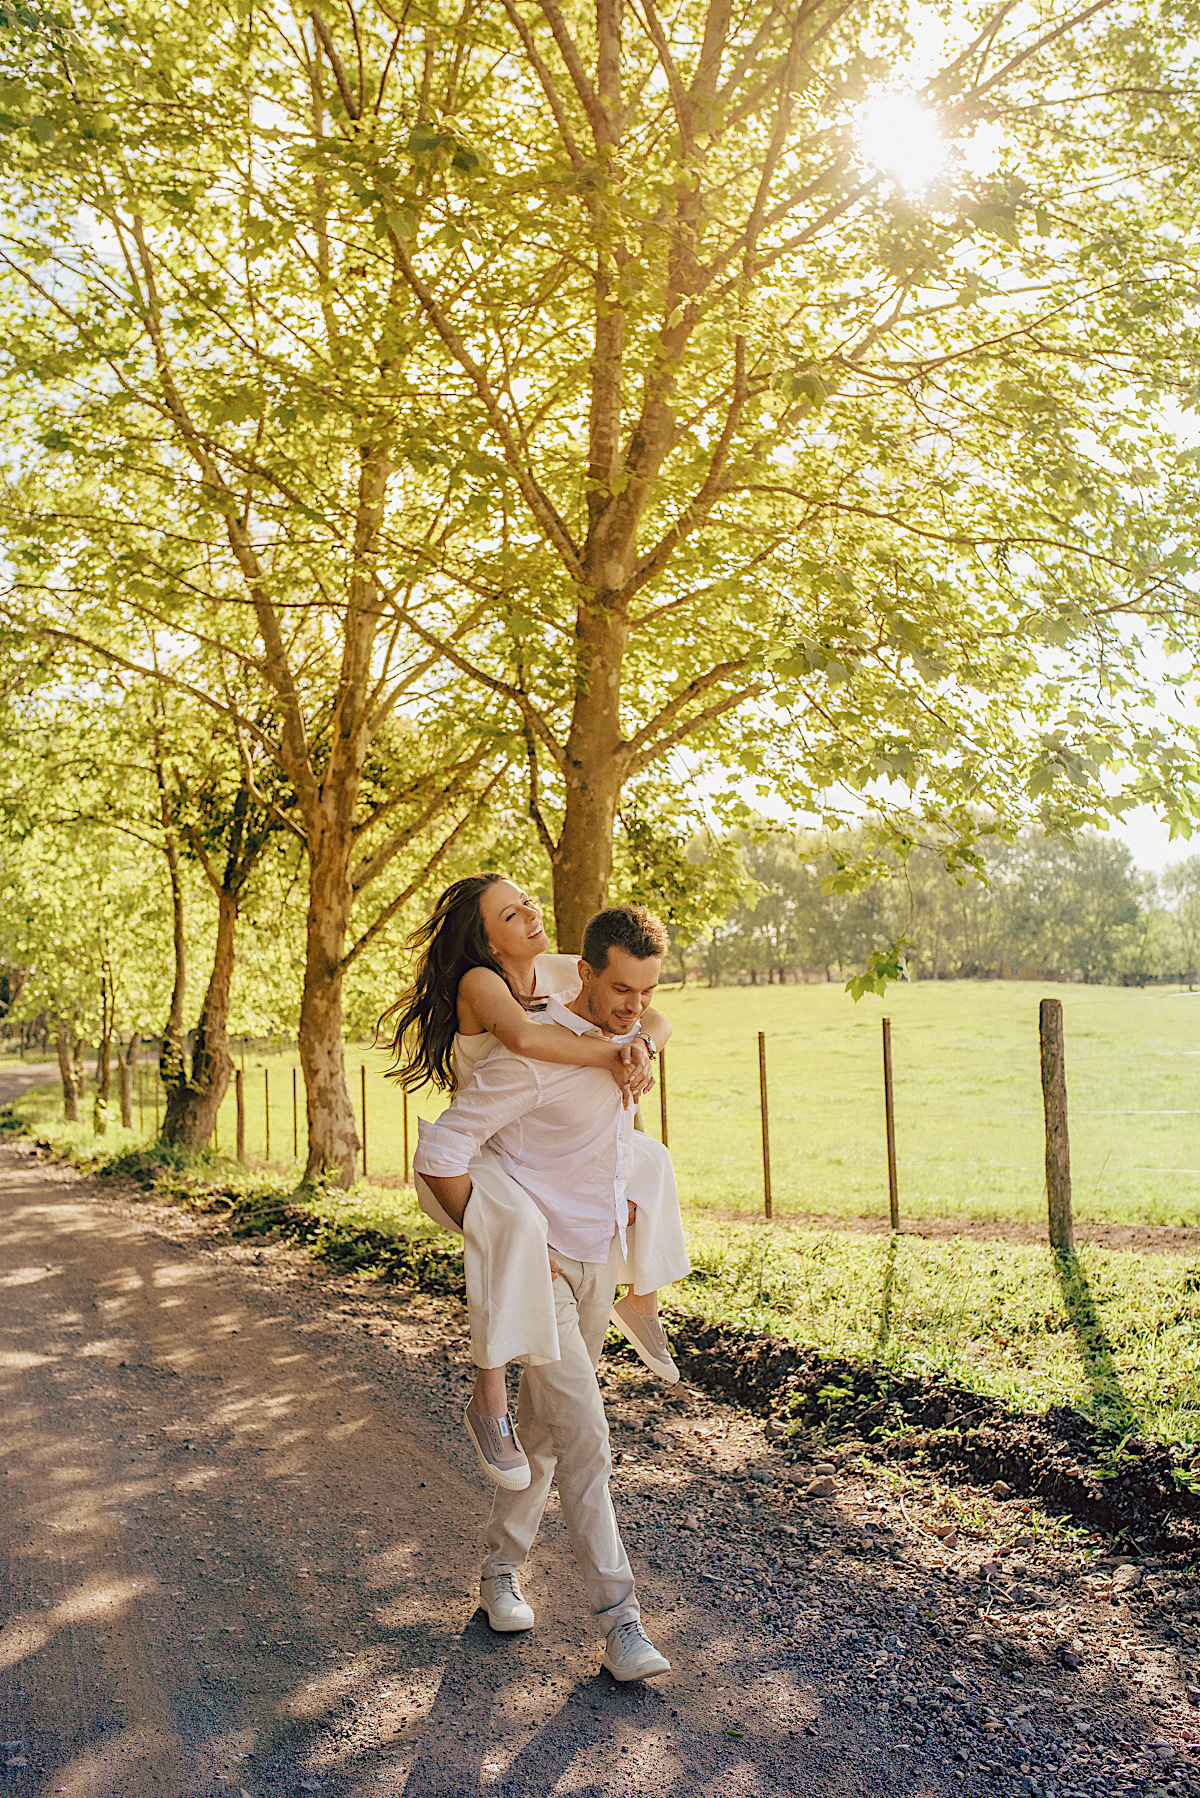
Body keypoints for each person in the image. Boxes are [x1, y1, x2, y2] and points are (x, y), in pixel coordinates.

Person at [413, 903, 675, 1681]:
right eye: (621, 990)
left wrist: (642, 1040)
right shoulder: (533, 1056)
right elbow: (441, 1152)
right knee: (587, 1436)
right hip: (547, 1271)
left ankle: (499, 1571)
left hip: (598, 1262)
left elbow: (647, 1037)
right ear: (584, 973)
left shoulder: (627, 1038)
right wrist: (508, 1251)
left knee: (548, 1435)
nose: (634, 1006)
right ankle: (622, 1624)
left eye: (647, 991)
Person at [382, 875, 689, 1491]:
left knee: (650, 1162)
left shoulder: (555, 969)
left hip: (531, 1145)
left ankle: (642, 1301)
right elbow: (524, 1038)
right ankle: (488, 1399)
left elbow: (651, 1014)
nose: (529, 914)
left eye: (525, 902)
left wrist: (643, 1050)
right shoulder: (481, 981)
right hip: (482, 1152)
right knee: (515, 1229)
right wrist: (615, 1055)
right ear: (487, 940)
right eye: (509, 914)